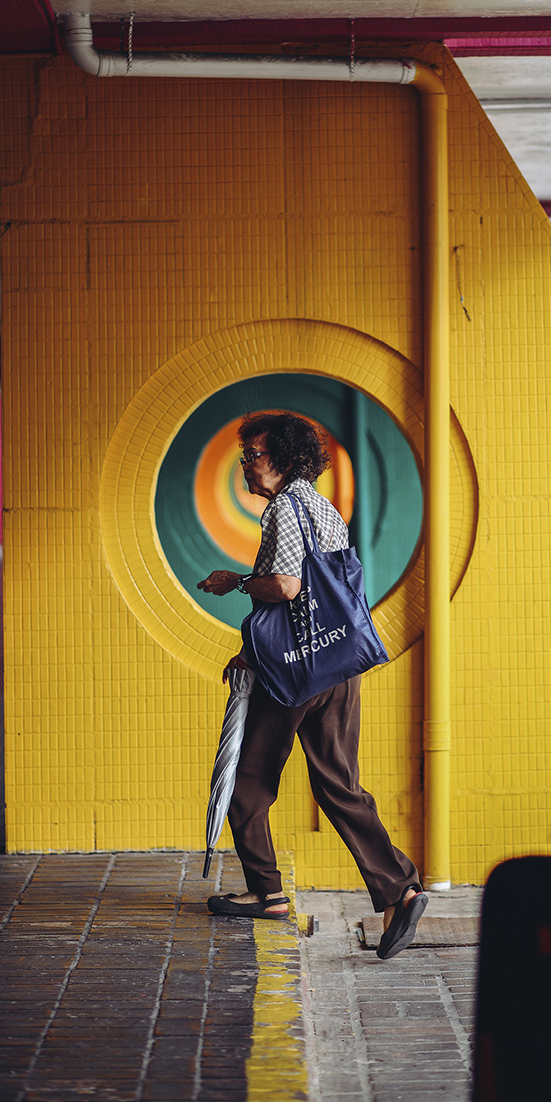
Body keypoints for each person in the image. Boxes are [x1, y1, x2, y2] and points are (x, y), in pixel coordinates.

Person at [197, 411, 427, 961]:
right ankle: (400, 889)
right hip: (337, 667)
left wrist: (237, 583)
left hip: (295, 676)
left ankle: (266, 890)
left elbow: (286, 585)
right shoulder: (320, 506)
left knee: (249, 782)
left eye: (252, 456)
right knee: (338, 785)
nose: (246, 467)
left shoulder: (282, 510)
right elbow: (319, 597)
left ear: (280, 457)